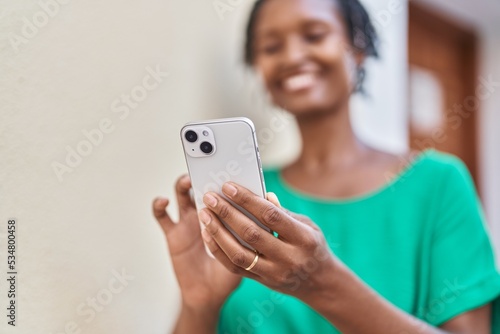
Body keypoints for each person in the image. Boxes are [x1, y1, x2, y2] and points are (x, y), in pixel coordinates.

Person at [153, 0, 500, 332]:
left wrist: (324, 284)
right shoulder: (246, 203)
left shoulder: (438, 184)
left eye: (315, 35)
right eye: (271, 47)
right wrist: (199, 305)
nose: (292, 56)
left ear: (358, 49)